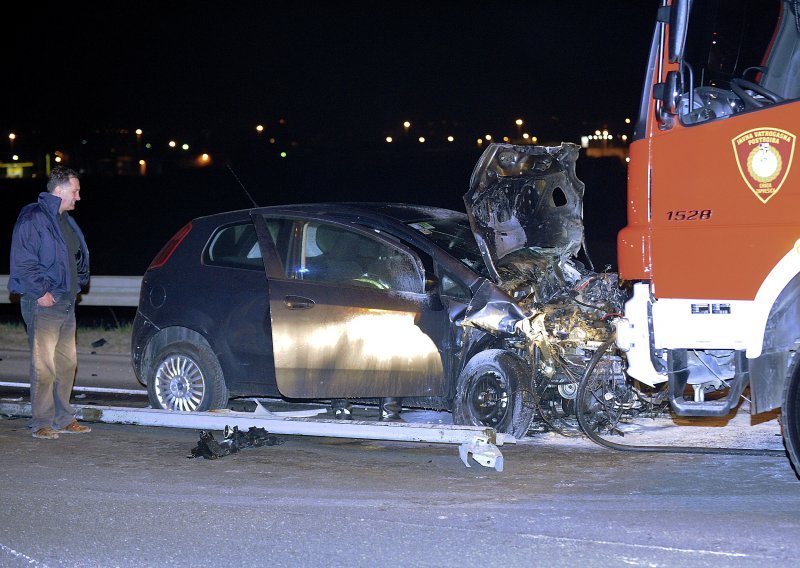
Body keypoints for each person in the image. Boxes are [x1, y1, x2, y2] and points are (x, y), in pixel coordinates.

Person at [8, 166, 91, 440]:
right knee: (44, 366)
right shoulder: (34, 217)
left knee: (67, 364)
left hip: (66, 302)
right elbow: (23, 261)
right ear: (59, 190)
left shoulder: (63, 219)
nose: (78, 197)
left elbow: (73, 257)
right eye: (75, 191)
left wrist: (77, 283)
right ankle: (41, 422)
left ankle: (64, 418)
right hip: (44, 302)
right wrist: (41, 292)